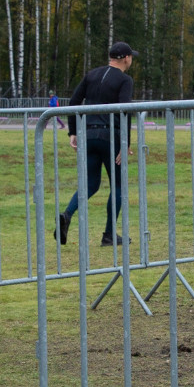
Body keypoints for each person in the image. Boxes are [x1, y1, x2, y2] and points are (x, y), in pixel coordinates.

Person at [55, 43, 137, 248]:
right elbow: (124, 110)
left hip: (88, 134)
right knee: (118, 185)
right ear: (126, 58)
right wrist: (125, 142)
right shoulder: (125, 80)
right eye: (131, 57)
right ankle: (109, 234)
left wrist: (72, 131)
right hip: (111, 135)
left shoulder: (91, 75)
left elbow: (74, 102)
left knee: (90, 183)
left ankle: (67, 214)